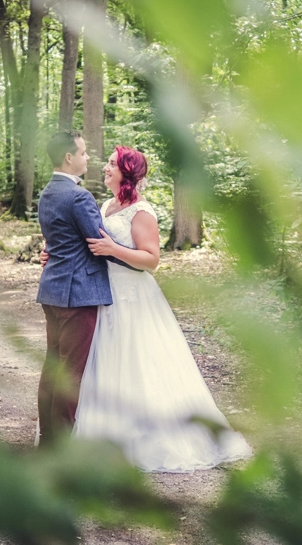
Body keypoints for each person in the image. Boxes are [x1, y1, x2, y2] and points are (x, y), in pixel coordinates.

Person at [75, 146, 252, 472]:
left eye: (112, 164)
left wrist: (113, 249)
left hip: (133, 295)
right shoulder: (107, 205)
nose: (106, 168)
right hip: (105, 292)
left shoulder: (141, 211)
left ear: (127, 173)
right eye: (108, 163)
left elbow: (151, 259)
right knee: (108, 359)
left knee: (139, 359)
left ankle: (152, 439)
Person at [35, 130, 115, 447]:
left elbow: (59, 240)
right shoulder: (79, 197)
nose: (87, 157)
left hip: (52, 290)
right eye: (83, 153)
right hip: (78, 295)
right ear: (69, 157)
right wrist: (137, 257)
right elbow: (101, 243)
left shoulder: (47, 193)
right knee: (70, 376)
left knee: (53, 369)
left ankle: (47, 441)